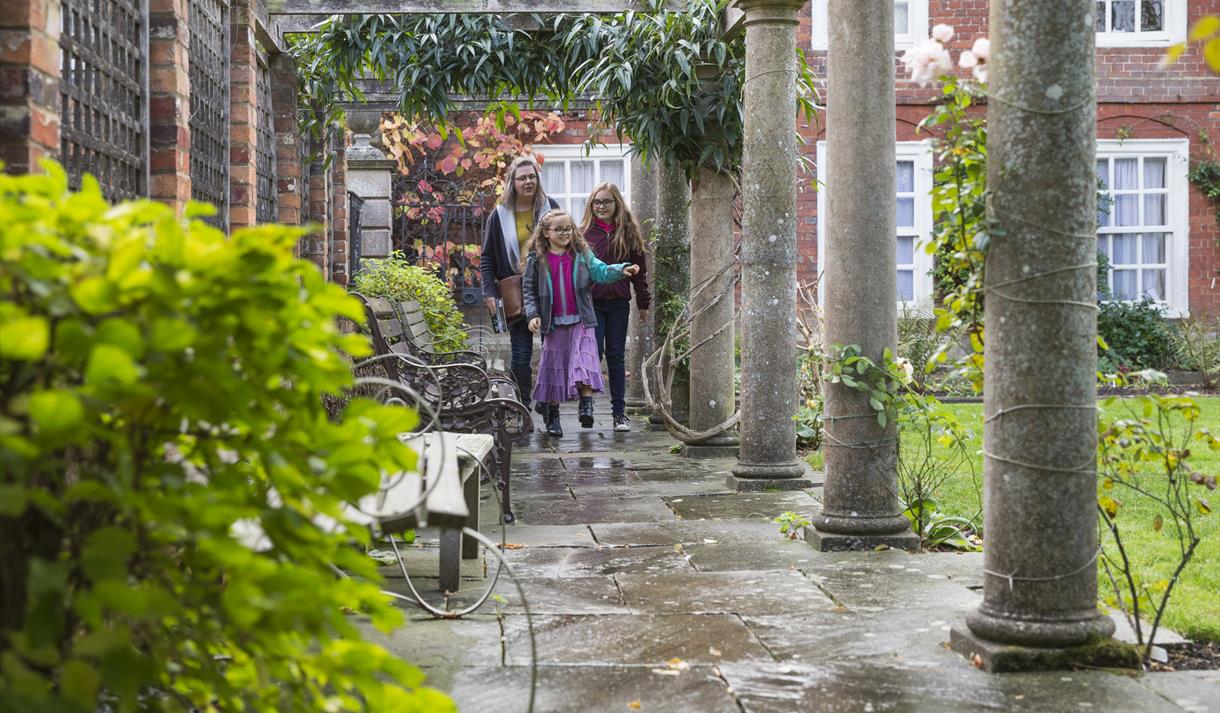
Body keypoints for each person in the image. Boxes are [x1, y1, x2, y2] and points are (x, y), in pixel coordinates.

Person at [522, 210, 640, 437]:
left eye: (569, 229)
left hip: (581, 320)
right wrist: (532, 314)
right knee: (555, 369)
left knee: (583, 361)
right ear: (546, 233)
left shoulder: (582, 254)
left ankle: (586, 405)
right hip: (553, 323)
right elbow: (529, 291)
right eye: (559, 229)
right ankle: (553, 416)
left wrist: (620, 270)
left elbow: (600, 271)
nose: (566, 233)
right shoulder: (536, 260)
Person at [480, 155, 560, 410]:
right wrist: (489, 292)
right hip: (515, 292)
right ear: (512, 182)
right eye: (522, 177)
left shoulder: (552, 208)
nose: (528, 181)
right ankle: (523, 405)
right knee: (521, 355)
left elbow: (567, 247)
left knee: (553, 352)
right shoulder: (500, 215)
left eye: (532, 176)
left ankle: (548, 405)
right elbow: (487, 257)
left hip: (550, 291)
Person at [579, 182, 650, 432]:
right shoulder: (584, 234)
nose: (601, 206)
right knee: (592, 353)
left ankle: (619, 414)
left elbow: (639, 271)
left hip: (619, 303)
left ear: (616, 203)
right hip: (592, 304)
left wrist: (643, 302)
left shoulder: (629, 232)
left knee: (617, 358)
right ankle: (586, 405)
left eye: (606, 201)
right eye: (596, 202)